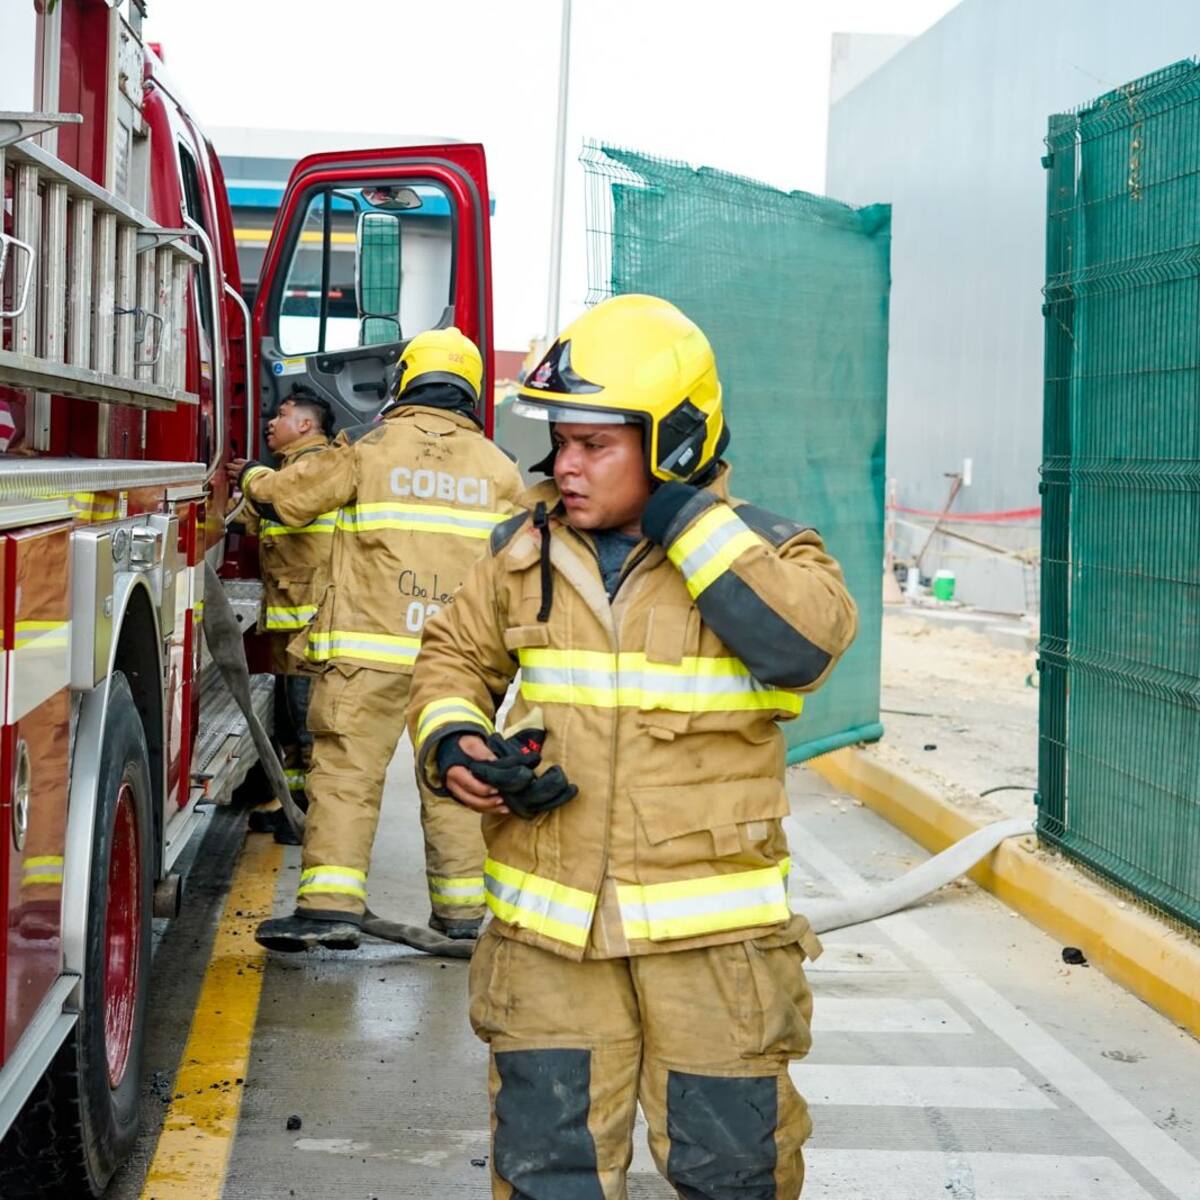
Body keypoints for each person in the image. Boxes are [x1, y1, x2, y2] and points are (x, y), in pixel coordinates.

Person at [407, 294, 858, 1199]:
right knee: (549, 1174)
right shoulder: (524, 551)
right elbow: (452, 657)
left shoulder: (770, 553)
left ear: (675, 445)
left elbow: (802, 647)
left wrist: (687, 523)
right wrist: (455, 738)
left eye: (594, 446)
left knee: (732, 1175)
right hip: (549, 942)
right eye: (560, 442)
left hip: (714, 951)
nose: (563, 467)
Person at [228, 328, 524, 951]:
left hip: (367, 651)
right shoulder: (501, 470)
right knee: (455, 776)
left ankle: (330, 909)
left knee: (346, 773)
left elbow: (294, 500)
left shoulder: (369, 447)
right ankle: (464, 917)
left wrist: (254, 479)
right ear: (469, 390)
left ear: (405, 381)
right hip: (458, 662)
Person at [240, 385, 336, 844]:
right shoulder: (289, 470)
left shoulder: (316, 467)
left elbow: (283, 505)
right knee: (292, 730)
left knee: (309, 724)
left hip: (311, 623)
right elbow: (258, 518)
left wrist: (249, 478)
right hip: (290, 622)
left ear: (305, 425)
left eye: (280, 415)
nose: (269, 424)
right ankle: (294, 810)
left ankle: (317, 822)